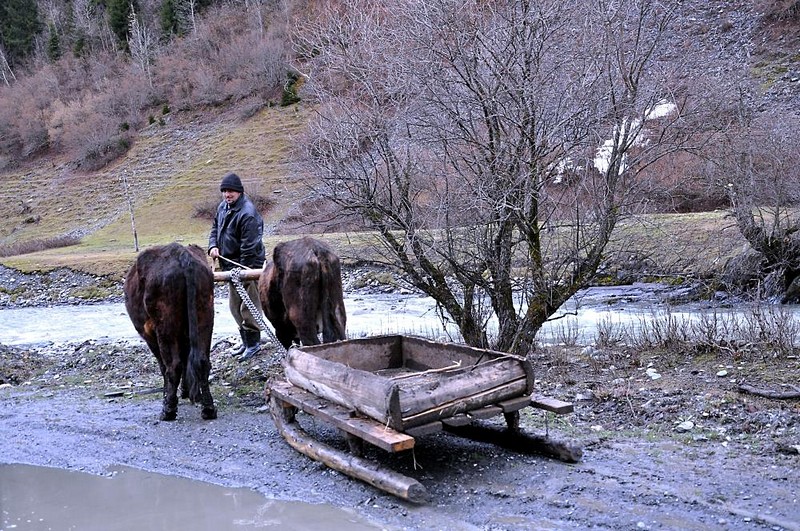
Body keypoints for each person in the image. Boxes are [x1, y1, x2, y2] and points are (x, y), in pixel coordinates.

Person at [208, 172, 266, 361]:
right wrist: (213, 246)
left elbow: (250, 246)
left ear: (239, 191)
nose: (227, 194)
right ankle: (246, 342)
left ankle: (253, 344)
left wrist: (242, 272)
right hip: (230, 266)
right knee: (235, 307)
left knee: (249, 306)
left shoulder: (248, 213)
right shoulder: (223, 207)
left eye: (231, 191)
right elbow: (215, 228)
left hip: (247, 266)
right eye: (224, 191)